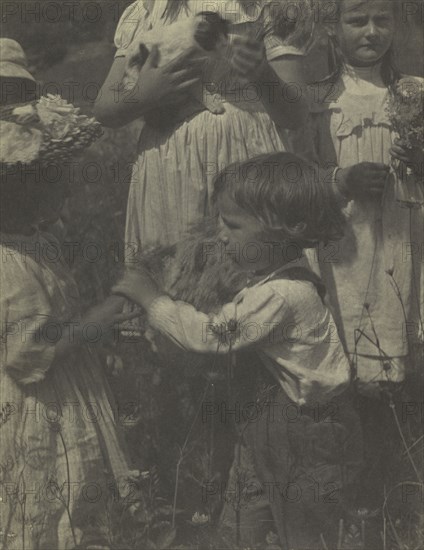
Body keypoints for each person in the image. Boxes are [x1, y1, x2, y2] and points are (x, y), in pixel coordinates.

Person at [112, 152, 363, 549]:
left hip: (304, 436)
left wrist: (153, 300)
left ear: (289, 229)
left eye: (232, 224)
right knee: (242, 519)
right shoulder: (270, 281)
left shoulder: (284, 293)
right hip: (266, 427)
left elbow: (212, 335)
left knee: (306, 531)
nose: (221, 235)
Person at [0, 42, 137, 550]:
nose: (62, 185)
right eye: (42, 174)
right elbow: (31, 351)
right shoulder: (5, 266)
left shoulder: (37, 240)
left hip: (70, 389)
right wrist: (107, 313)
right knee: (46, 503)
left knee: (83, 498)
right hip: (33, 402)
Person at [306, 0, 423, 514]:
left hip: (404, 239)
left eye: (382, 20)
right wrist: (342, 180)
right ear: (333, 29)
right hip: (346, 250)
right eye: (357, 20)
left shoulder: (415, 93)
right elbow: (298, 178)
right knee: (349, 366)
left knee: (403, 366)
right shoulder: (320, 102)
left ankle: (400, 492)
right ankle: (352, 500)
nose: (371, 31)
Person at [94, 0, 312, 252]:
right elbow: (104, 109)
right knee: (179, 266)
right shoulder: (148, 9)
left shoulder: (270, 6)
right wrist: (143, 95)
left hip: (244, 159)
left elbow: (295, 115)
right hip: (169, 165)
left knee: (252, 264)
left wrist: (262, 76)